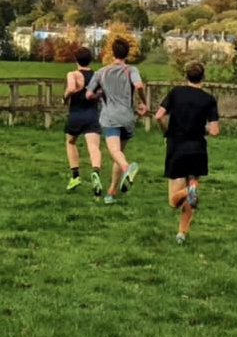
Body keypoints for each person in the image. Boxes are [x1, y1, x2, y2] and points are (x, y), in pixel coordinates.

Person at [155, 60, 219, 244]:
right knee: (191, 194)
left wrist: (165, 131)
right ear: (203, 77)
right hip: (197, 149)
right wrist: (202, 128)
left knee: (173, 201)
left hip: (176, 148)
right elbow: (214, 131)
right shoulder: (209, 99)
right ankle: (181, 233)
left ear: (186, 76)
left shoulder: (176, 93)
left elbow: (159, 115)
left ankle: (188, 192)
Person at [85, 37, 147, 205]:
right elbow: (139, 86)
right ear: (127, 54)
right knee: (118, 153)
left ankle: (128, 168)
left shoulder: (101, 72)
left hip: (110, 116)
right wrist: (143, 102)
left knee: (114, 151)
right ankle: (111, 191)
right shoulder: (131, 70)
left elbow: (88, 94)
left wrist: (100, 94)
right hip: (127, 116)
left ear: (113, 53)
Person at [62, 46, 103, 197]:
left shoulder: (73, 74)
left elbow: (71, 88)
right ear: (90, 60)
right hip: (92, 114)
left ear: (76, 60)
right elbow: (102, 92)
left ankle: (75, 176)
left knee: (70, 142)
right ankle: (96, 171)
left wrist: (65, 96)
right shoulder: (97, 75)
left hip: (76, 114)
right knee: (93, 147)